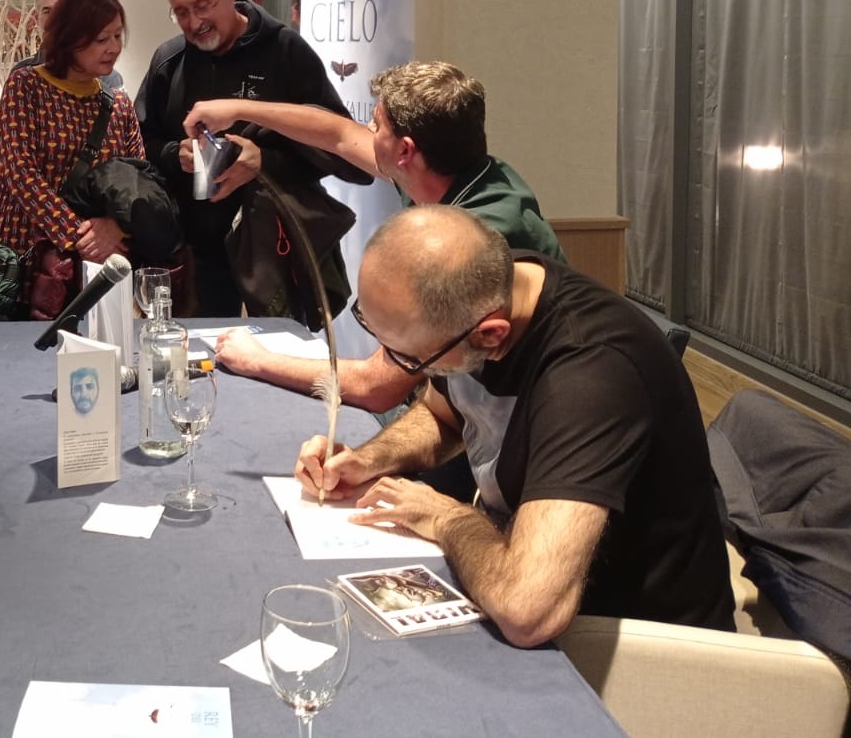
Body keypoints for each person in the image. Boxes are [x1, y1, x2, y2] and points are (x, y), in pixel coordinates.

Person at [295, 206, 734, 648]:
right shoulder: (484, 286)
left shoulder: (589, 378)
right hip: (518, 577)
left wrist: (445, 517)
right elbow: (442, 416)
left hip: (637, 642)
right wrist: (368, 460)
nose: (396, 365)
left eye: (411, 359)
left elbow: (529, 612)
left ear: (491, 334)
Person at [185, 61, 562, 411]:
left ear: (405, 150)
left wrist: (255, 359)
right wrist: (236, 109)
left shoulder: (466, 242)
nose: (367, 130)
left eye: (377, 125)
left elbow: (376, 386)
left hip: (519, 413)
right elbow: (336, 133)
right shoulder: (445, 173)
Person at [137, 0, 365, 316]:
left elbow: (338, 148)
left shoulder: (286, 50)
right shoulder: (170, 60)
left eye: (202, 5)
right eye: (181, 12)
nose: (194, 22)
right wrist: (174, 154)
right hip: (200, 249)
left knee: (283, 359)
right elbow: (141, 143)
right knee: (202, 358)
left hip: (277, 244)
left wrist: (266, 162)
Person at [0, 0, 143, 269]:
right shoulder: (25, 86)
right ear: (70, 38)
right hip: (30, 256)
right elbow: (20, 172)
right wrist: (79, 235)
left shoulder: (119, 104)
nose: (114, 48)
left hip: (100, 261)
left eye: (118, 36)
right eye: (101, 39)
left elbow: (137, 179)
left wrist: (116, 227)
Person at [11, 0, 122, 92]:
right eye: (48, 11)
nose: (56, 19)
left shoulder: (108, 79)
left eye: (64, 12)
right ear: (36, 16)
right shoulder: (22, 78)